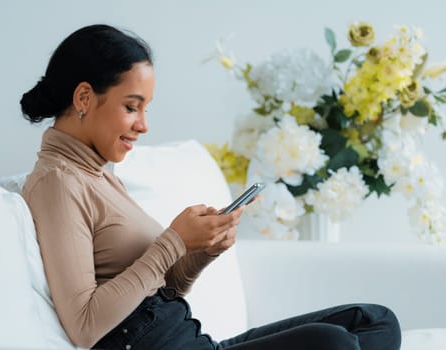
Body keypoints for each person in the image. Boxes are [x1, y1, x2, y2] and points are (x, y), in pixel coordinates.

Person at [20, 24, 402, 350]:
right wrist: (173, 241)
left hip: (200, 342)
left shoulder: (99, 173)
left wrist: (201, 252)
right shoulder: (59, 183)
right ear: (84, 97)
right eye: (132, 107)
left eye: (146, 109)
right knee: (332, 343)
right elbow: (84, 326)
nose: (143, 125)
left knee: (376, 322)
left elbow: (160, 289)